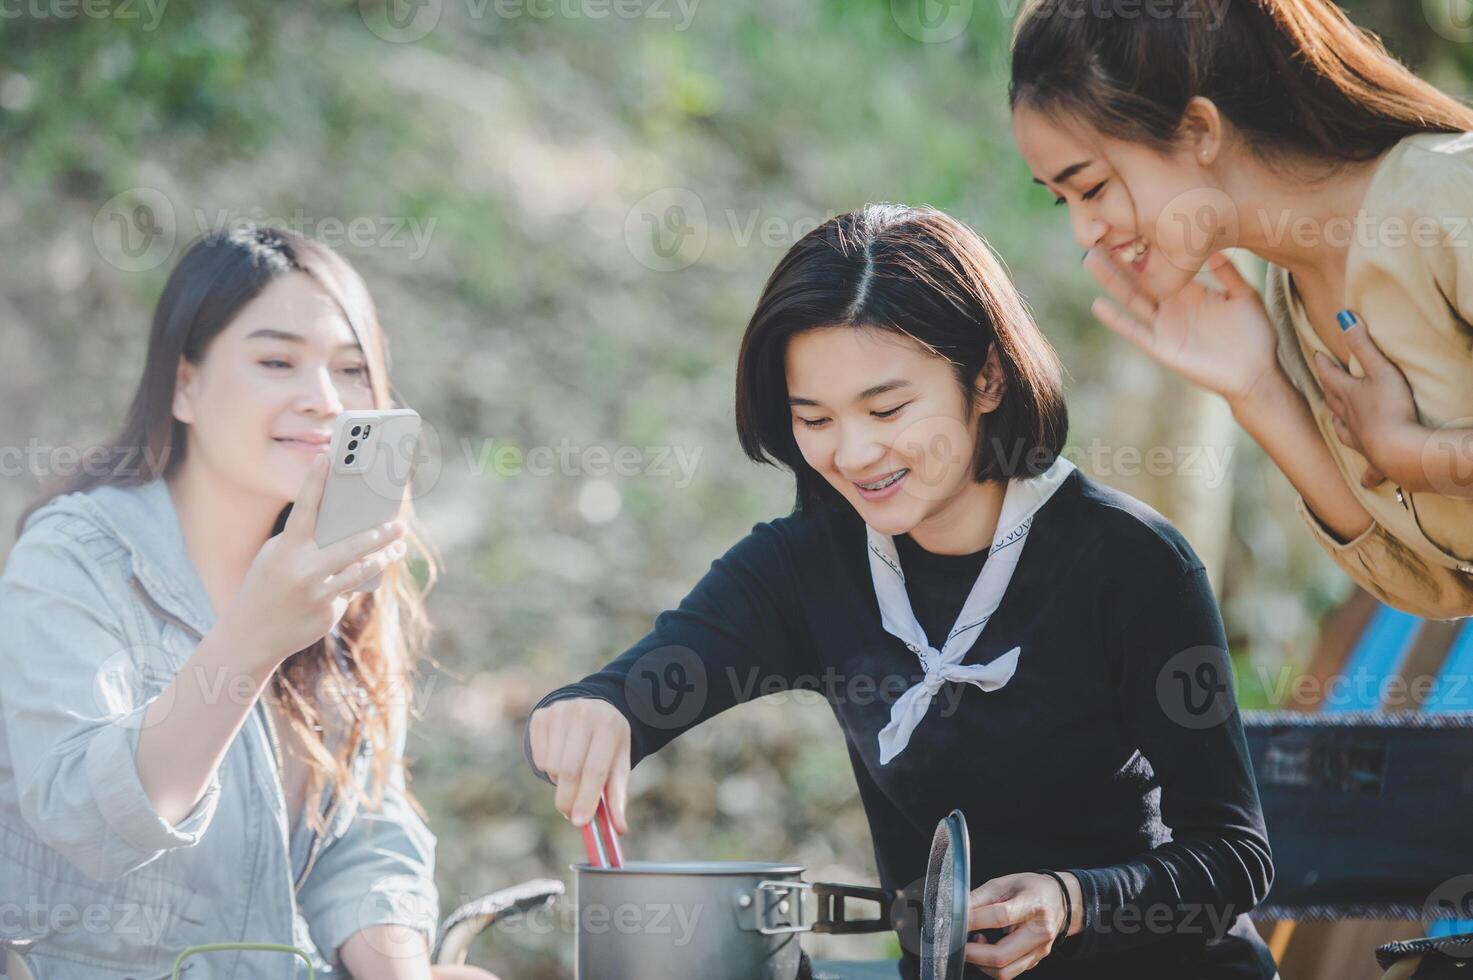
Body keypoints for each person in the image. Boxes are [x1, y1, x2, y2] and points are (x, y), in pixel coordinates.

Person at [525, 204, 1277, 979]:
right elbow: (634, 692)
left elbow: (1235, 856)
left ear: (986, 375)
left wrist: (1070, 901)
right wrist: (590, 715)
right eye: (813, 418)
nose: (852, 453)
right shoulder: (809, 565)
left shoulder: (1129, 564)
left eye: (886, 409)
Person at [0, 226, 494, 979]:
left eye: (352, 370)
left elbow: (359, 832)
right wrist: (248, 643)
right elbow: (84, 819)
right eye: (276, 362)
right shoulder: (76, 560)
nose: (324, 401)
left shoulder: (327, 565)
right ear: (184, 386)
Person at [1011, 0, 1473, 620]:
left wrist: (1411, 454)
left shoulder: (1447, 198)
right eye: (1061, 200)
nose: (1084, 231)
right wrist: (1258, 392)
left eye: (1091, 187)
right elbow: (1436, 588)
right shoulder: (1290, 307)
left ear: (1200, 130)